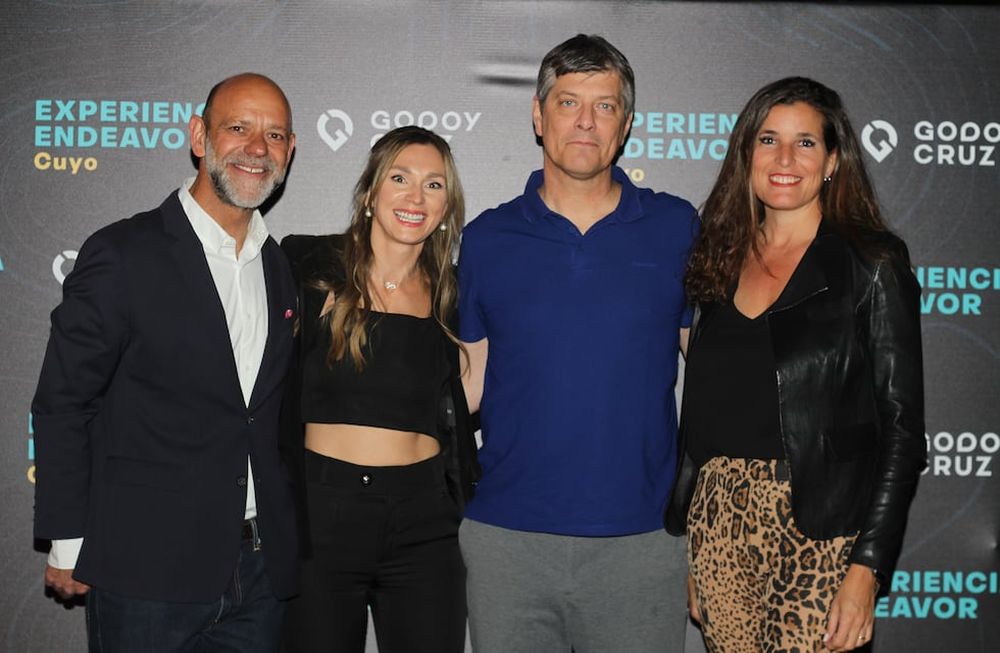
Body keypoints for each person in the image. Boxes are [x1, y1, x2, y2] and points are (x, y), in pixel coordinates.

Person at [32, 73, 300, 652]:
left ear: (291, 150)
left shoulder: (278, 268)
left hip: (259, 574)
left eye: (275, 134)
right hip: (144, 569)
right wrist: (68, 541)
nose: (258, 148)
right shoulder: (123, 253)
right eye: (238, 128)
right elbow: (63, 402)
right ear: (199, 137)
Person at [665, 76, 926, 653]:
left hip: (824, 529)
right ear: (747, 156)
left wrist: (866, 569)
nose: (785, 159)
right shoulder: (717, 258)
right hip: (719, 525)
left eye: (805, 143)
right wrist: (697, 535)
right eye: (768, 140)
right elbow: (705, 411)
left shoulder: (872, 263)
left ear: (833, 160)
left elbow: (903, 432)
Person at [458, 34, 698, 652]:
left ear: (626, 125)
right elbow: (469, 385)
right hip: (508, 541)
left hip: (643, 542)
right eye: (568, 103)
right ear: (538, 116)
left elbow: (712, 374)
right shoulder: (486, 238)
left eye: (605, 105)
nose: (585, 121)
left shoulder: (677, 227)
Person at [280, 126, 479, 653]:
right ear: (370, 193)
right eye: (400, 178)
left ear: (447, 204)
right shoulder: (308, 266)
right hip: (323, 512)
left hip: (425, 519)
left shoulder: (456, 293)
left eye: (434, 185)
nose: (416, 197)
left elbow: (471, 394)